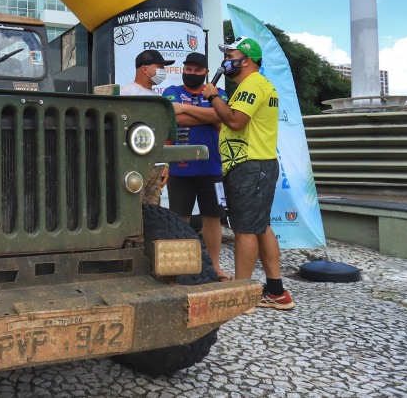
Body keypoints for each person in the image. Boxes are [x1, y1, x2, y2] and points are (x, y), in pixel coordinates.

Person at [202, 37, 293, 310]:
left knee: (244, 230)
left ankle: (239, 295)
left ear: (247, 59)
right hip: (259, 166)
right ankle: (276, 291)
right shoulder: (257, 85)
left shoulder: (252, 85)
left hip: (250, 167)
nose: (226, 61)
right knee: (260, 226)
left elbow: (234, 120)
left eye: (230, 55)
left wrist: (214, 97)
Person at [162, 52, 231, 281]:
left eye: (197, 70)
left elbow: (222, 117)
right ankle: (182, 268)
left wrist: (187, 110)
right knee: (180, 219)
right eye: (188, 69)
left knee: (213, 218)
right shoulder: (171, 92)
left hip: (213, 168)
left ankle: (214, 267)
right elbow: (175, 119)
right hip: (180, 169)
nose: (192, 73)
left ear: (206, 72)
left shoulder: (217, 93)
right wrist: (209, 116)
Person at [123, 49, 173, 204]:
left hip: (157, 166)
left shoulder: (159, 99)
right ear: (144, 69)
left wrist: (165, 163)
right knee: (133, 212)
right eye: (160, 67)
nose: (163, 72)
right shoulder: (126, 94)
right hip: (135, 166)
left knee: (153, 215)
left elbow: (162, 134)